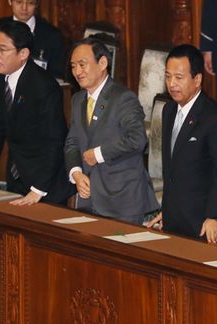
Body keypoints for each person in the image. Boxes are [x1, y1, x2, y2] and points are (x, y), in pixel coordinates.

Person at [147, 44, 217, 244]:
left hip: (204, 225)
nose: (172, 84)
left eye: (179, 77)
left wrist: (215, 216)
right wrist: (169, 211)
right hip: (175, 222)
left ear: (197, 79)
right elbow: (172, 170)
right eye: (168, 76)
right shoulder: (169, 110)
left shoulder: (216, 118)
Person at [64, 38, 159, 224]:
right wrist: (75, 172)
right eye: (73, 66)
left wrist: (99, 154)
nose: (77, 72)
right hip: (88, 198)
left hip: (122, 200)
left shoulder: (123, 98)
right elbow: (72, 141)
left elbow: (137, 139)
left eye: (82, 65)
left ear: (103, 63)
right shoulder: (77, 100)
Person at [0, 21, 73, 204]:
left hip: (47, 183)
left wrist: (38, 190)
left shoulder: (44, 87)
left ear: (23, 53)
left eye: (3, 49)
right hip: (17, 175)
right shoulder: (1, 75)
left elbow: (55, 142)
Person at [0, 0, 64, 78]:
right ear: (10, 1)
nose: (24, 8)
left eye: (30, 3)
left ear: (36, 4)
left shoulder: (52, 34)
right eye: (19, 2)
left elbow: (57, 72)